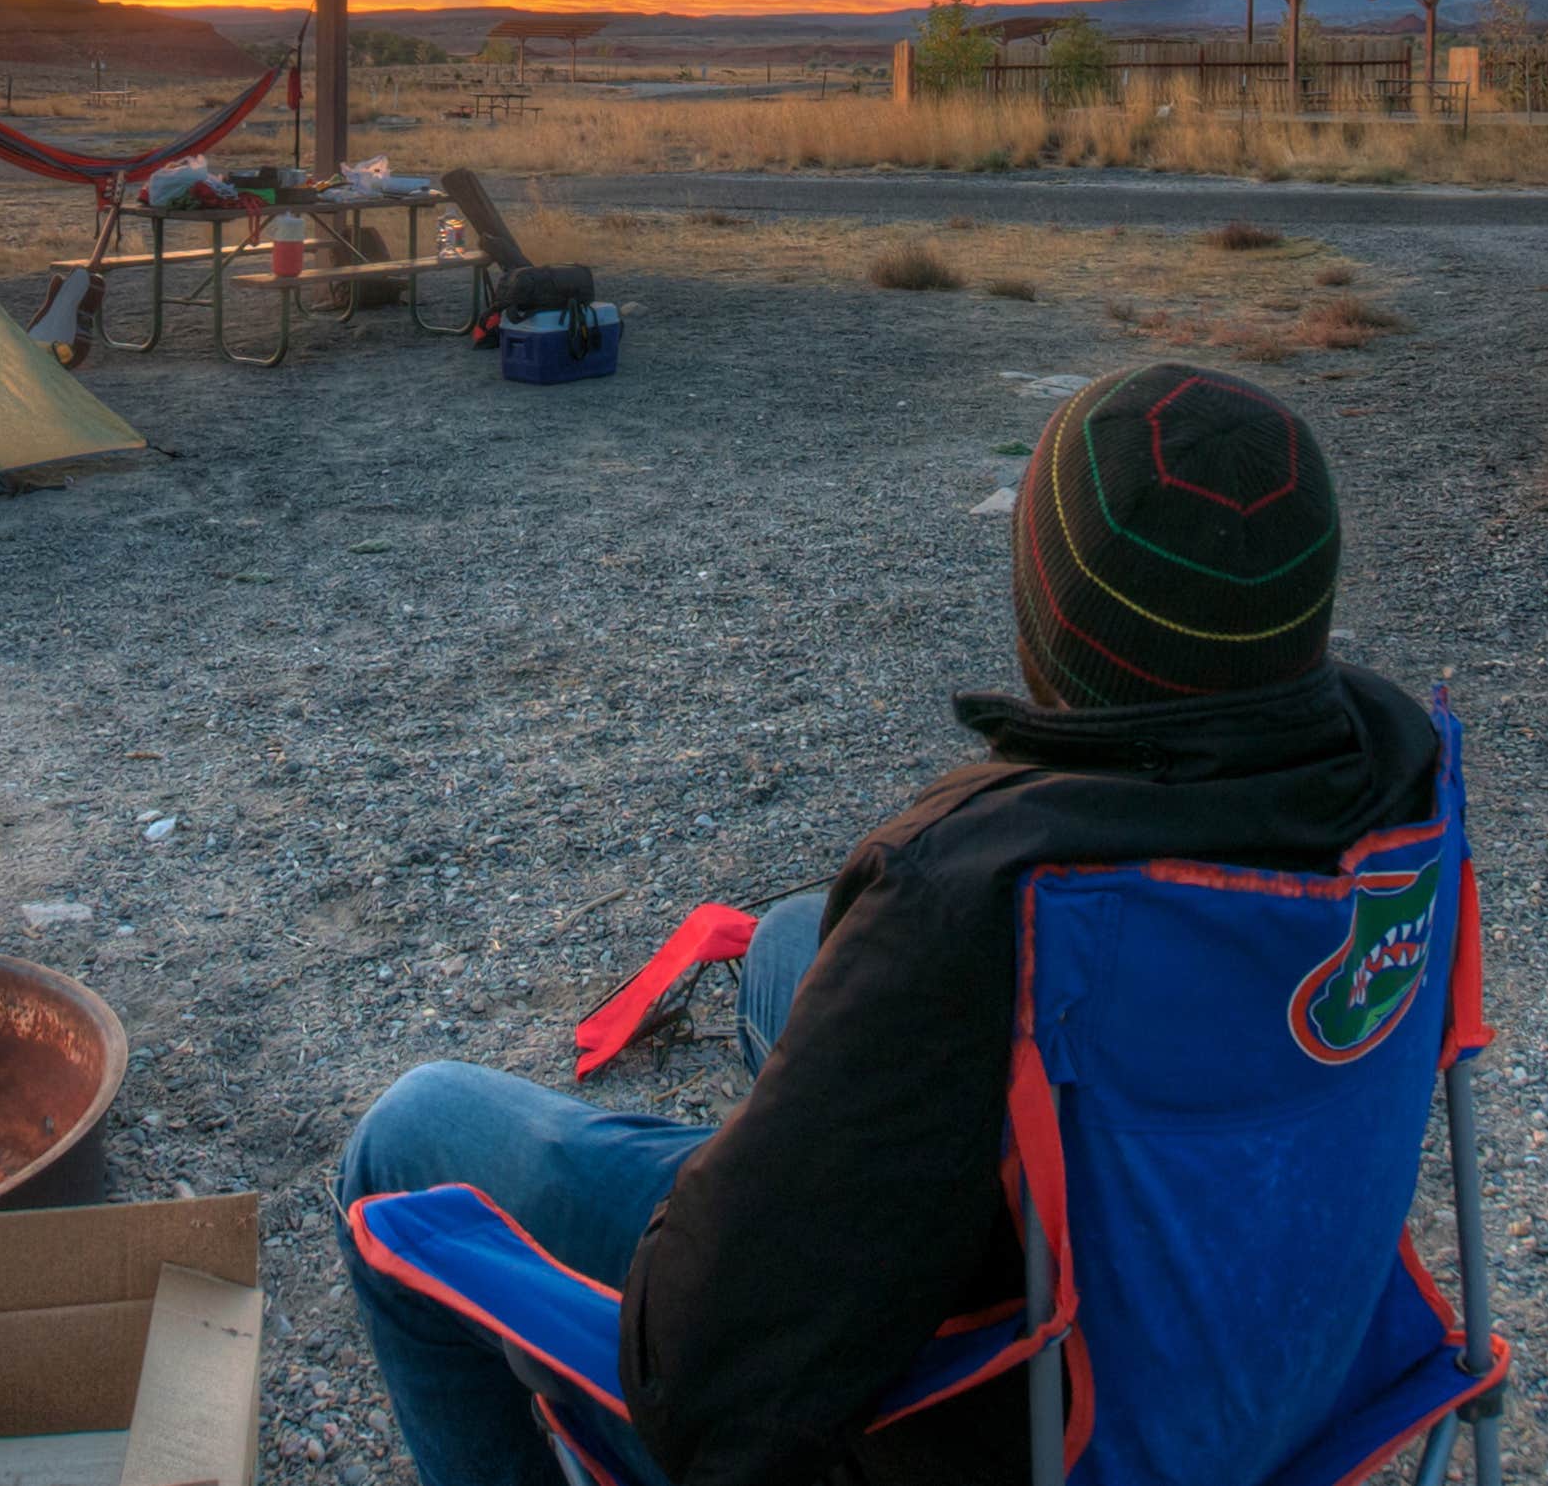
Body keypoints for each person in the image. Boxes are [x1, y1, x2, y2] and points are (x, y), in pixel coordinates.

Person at [335, 361, 1447, 1486]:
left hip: (997, 1412)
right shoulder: (1405, 778)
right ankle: (803, 1152)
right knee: (783, 947)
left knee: (406, 1133)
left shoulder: (982, 892)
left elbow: (703, 1369)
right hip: (1278, 1354)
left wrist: (739, 1211)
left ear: (1050, 620)